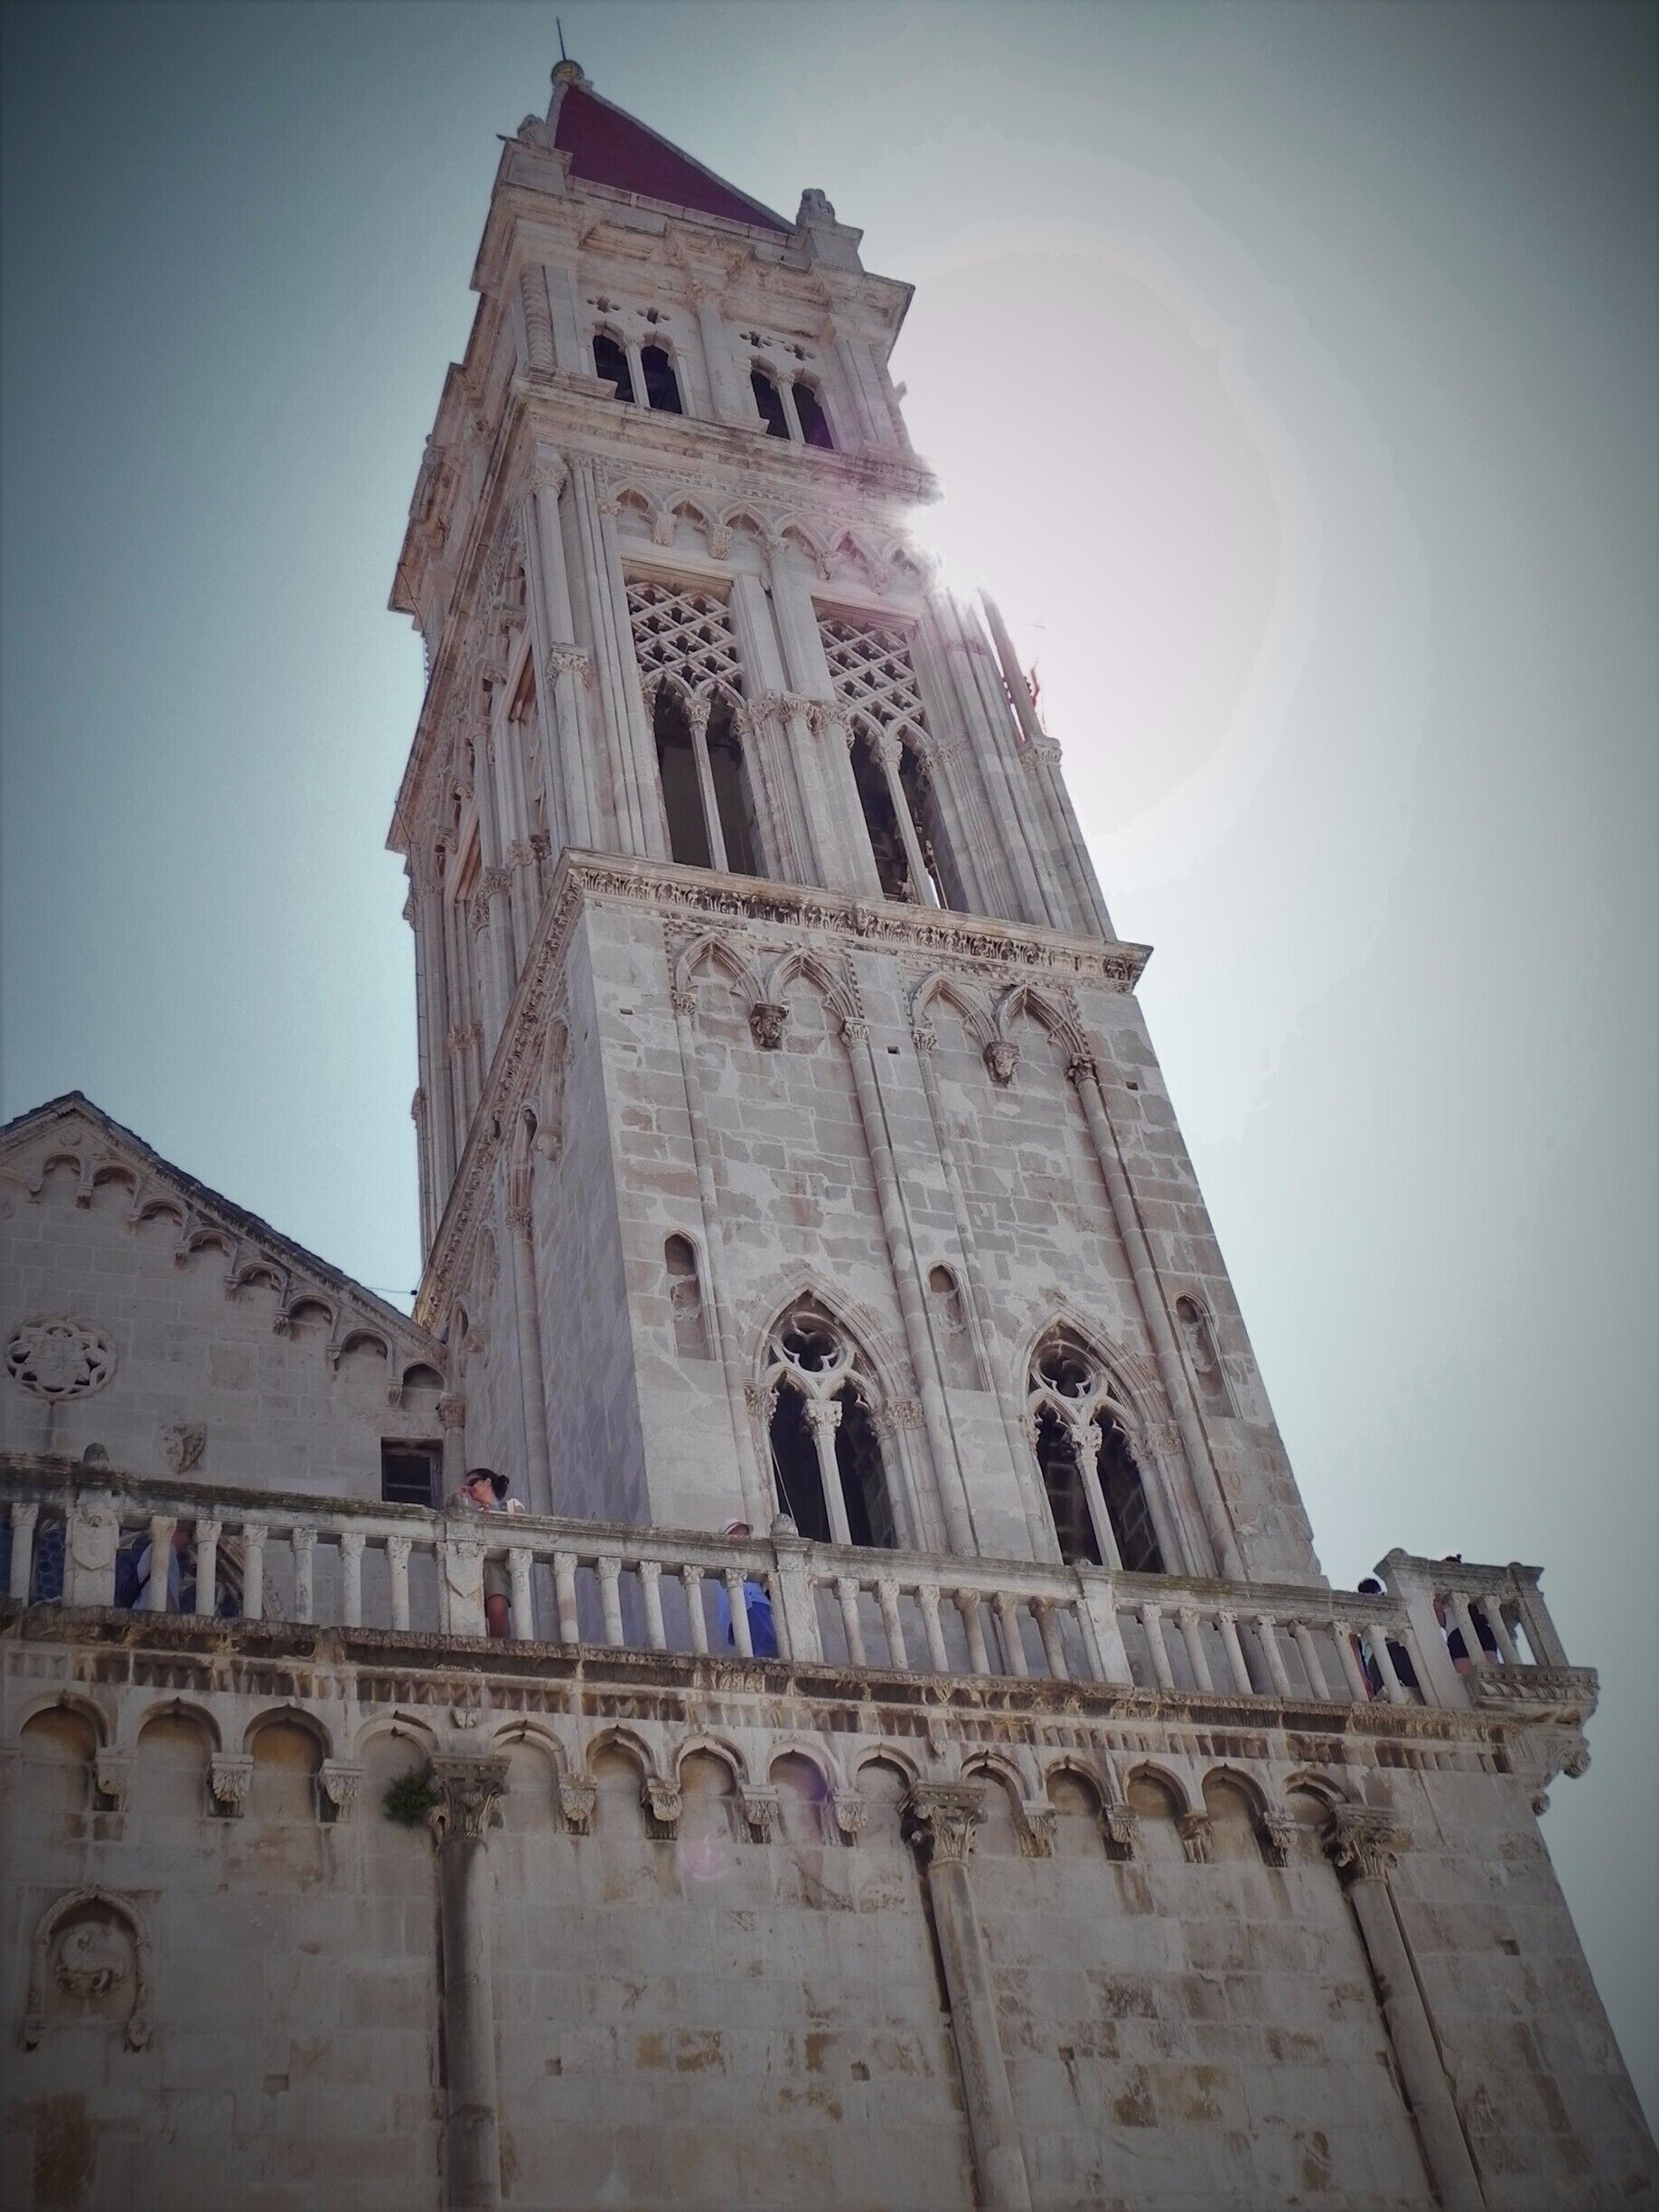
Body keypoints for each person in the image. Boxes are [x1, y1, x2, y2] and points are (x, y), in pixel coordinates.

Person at [449, 1466, 522, 1639]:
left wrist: (490, 1508)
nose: (470, 1488)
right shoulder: (473, 1515)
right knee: (476, 1621)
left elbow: (518, 1530)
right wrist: (459, 1497)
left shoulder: (511, 1505)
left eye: (473, 1482)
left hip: (496, 1565)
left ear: (488, 1482)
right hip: (475, 1566)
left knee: (497, 1613)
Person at [712, 1519, 778, 1658]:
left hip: (756, 1600)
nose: (744, 1539)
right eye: (739, 1535)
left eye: (745, 1535)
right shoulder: (723, 1558)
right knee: (762, 1640)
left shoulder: (751, 1557)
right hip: (746, 1601)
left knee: (763, 1635)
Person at [1355, 1574, 1419, 1697]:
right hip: (1395, 1648)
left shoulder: (1360, 1614)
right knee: (1416, 1690)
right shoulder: (1388, 1605)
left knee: (1388, 1696)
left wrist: (1362, 1677)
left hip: (1376, 1657)